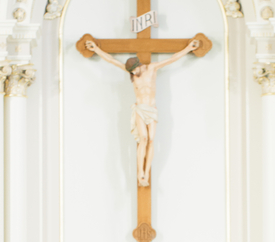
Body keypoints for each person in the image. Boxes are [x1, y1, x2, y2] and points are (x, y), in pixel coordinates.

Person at [85, 39, 199, 186]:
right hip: (140, 108)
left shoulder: (152, 69)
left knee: (151, 139)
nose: (133, 74)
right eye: (130, 72)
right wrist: (95, 49)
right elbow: (111, 60)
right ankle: (141, 173)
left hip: (152, 109)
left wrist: (189, 48)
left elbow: (172, 58)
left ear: (138, 65)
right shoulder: (132, 72)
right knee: (143, 139)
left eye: (134, 70)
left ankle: (147, 171)